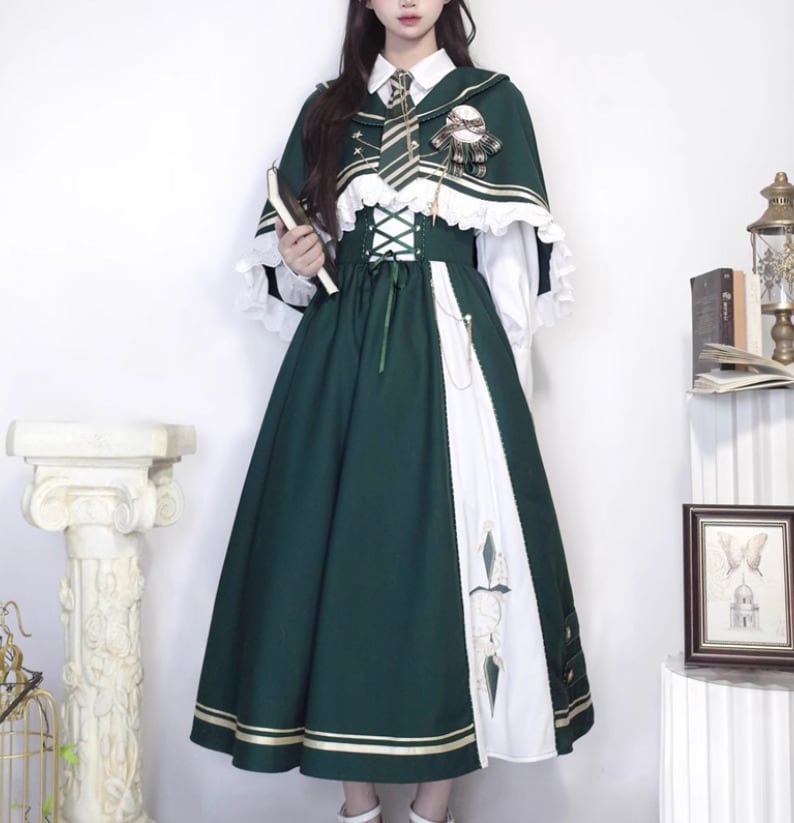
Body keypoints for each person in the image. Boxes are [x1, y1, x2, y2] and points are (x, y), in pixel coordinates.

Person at [190, 1, 594, 821]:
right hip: (343, 352)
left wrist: (502, 394)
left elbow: (509, 263)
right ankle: (358, 804)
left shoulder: (493, 100)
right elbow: (296, 267)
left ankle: (431, 809)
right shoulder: (328, 109)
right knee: (343, 558)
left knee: (451, 564)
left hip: (455, 351)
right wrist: (302, 253)